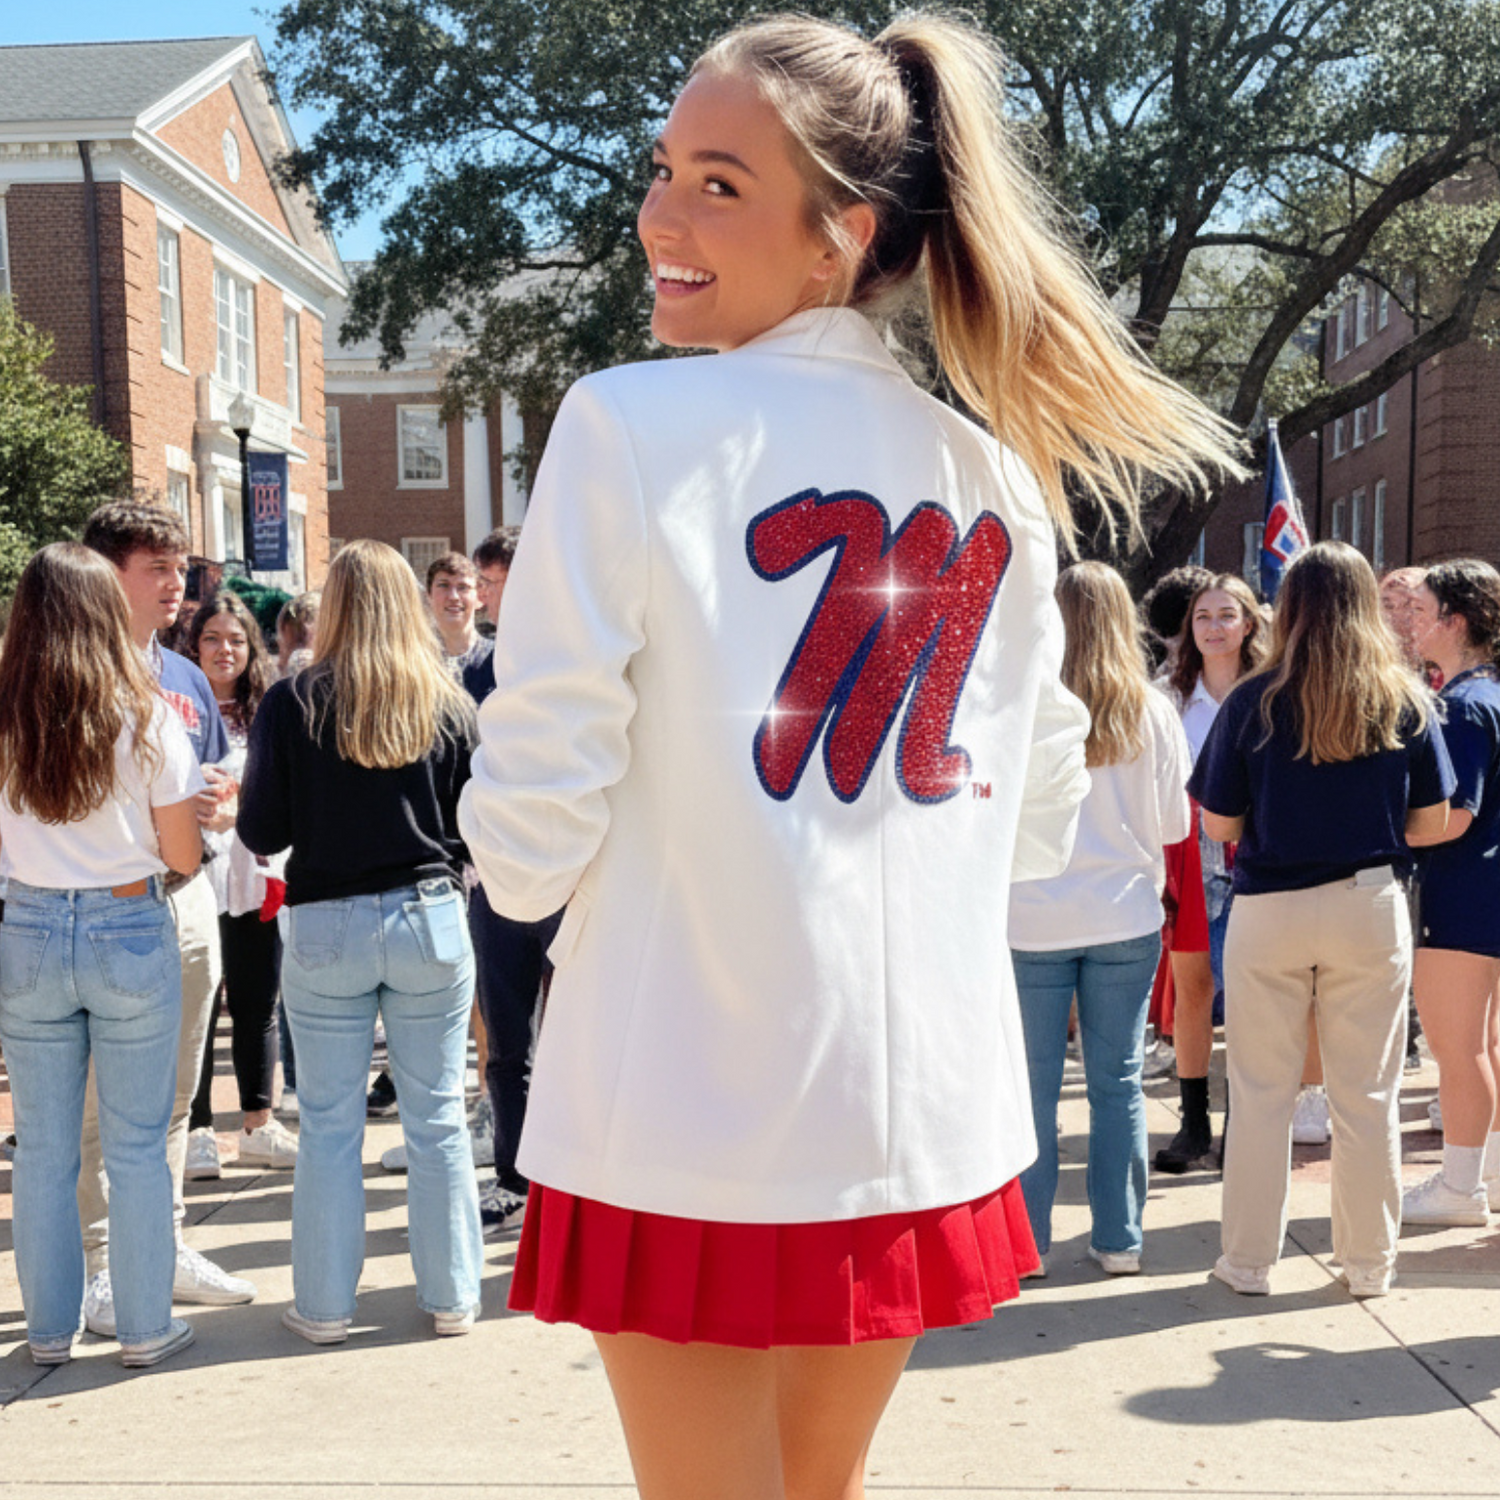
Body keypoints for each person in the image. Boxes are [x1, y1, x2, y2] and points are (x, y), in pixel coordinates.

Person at [457, 14, 1241, 1497]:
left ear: (841, 238)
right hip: (902, 1113)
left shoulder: (628, 422)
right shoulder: (995, 474)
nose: (662, 216)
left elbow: (530, 825)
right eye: (666, 170)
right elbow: (1037, 813)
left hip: (683, 1089)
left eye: (721, 185)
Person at [1191, 542, 1452, 1298]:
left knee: (1262, 1093)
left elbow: (1219, 825)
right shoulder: (1401, 696)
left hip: (1269, 906)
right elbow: (1433, 820)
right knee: (1366, 1095)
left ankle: (1247, 1261)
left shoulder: (1252, 699)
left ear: (1292, 608)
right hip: (1367, 903)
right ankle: (1369, 1264)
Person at [237, 539, 483, 1343]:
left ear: (335, 601)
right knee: (439, 1119)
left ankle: (325, 1306)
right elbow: (473, 822)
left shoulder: (292, 700)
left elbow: (263, 828)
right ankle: (451, 1296)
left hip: (327, 922)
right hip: (428, 911)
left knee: (332, 1126)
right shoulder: (443, 697)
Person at [0, 544, 204, 1367]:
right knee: (136, 1142)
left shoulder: (7, 715)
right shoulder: (146, 713)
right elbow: (184, 854)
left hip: (30, 925)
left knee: (43, 1147)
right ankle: (146, 1325)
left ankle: (49, 1330)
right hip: (127, 922)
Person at [77, 501, 255, 1338]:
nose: (176, 584)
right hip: (98, 907)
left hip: (185, 900)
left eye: (180, 567)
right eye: (156, 568)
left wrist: (225, 801)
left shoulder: (184, 677)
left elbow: (218, 776)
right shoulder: (66, 669)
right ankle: (102, 1268)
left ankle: (164, 1244)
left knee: (177, 1094)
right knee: (101, 1104)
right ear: (104, 573)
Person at [1009, 563, 1193, 1276]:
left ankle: (1027, 1240)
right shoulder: (1150, 708)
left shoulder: (1022, 702)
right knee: (1117, 1082)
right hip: (1121, 915)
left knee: (1033, 1084)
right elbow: (1176, 825)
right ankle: (1119, 1238)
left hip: (1031, 918)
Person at [452, 525, 558, 1236]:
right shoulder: (472, 673)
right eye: (482, 584)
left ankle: (574, 1179)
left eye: (494, 582)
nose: (486, 596)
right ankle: (514, 1180)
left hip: (571, 878)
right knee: (509, 1045)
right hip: (494, 881)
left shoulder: (569, 657)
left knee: (582, 1036)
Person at [182, 590, 296, 1179]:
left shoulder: (273, 708)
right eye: (211, 638)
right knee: (199, 1002)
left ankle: (257, 1122)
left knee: (258, 1001)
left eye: (235, 640)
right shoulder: (175, 706)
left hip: (254, 873)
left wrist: (242, 809)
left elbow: (286, 786)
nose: (224, 650)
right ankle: (198, 1130)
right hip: (193, 872)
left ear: (253, 649)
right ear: (193, 646)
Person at [1154, 573, 1265, 1173]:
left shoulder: (1274, 690)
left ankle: (1242, 1125)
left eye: (1227, 615)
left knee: (1251, 993)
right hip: (1190, 853)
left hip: (1256, 848)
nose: (1215, 627)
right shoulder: (1168, 697)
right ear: (1188, 629)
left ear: (1249, 623)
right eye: (1203, 617)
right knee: (1193, 990)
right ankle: (1193, 1125)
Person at [1401, 559, 1500, 1225]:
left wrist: (1376, 830)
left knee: (1459, 1048)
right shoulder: (1487, 696)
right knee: (1484, 1047)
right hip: (1484, 887)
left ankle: (1463, 1188)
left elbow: (1452, 817)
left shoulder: (1463, 706)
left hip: (1464, 893)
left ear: (1453, 621)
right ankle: (1477, 1174)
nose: (1411, 620)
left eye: (1422, 608)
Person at [426, 552, 494, 678]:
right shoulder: (413, 662)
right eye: (444, 585)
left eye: (463, 587)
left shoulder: (497, 661)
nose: (453, 597)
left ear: (480, 597)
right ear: (429, 596)